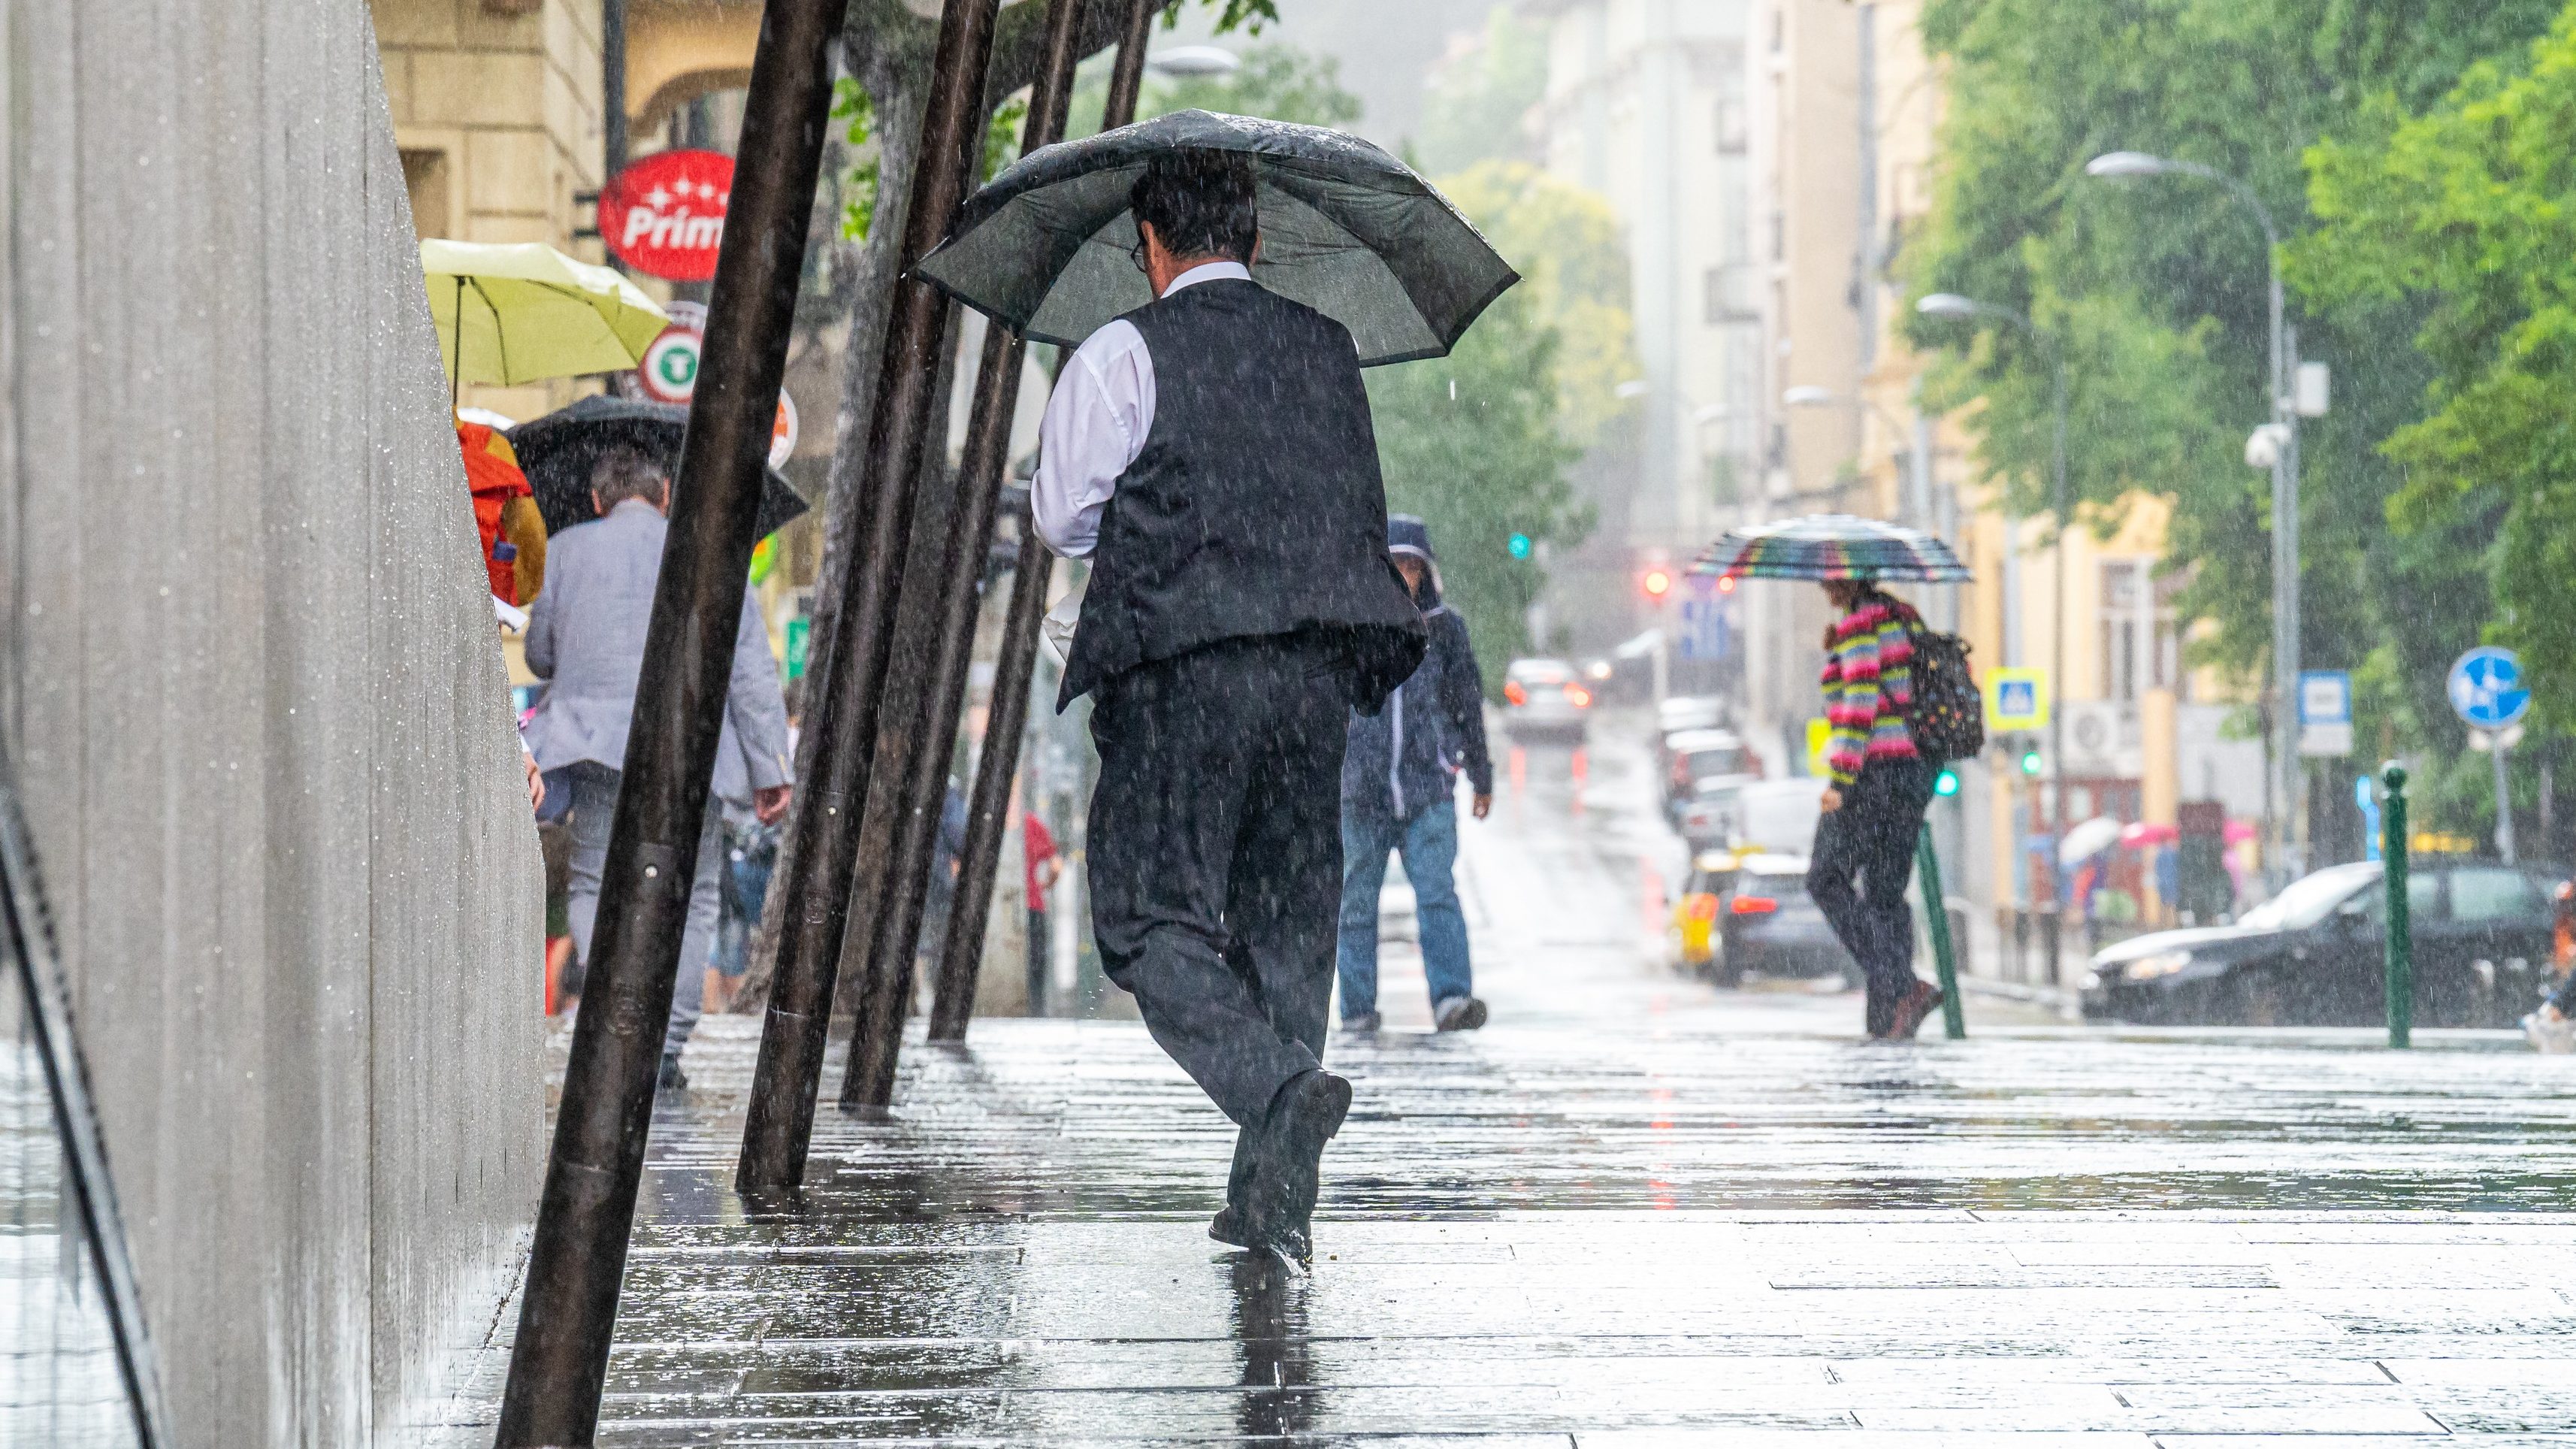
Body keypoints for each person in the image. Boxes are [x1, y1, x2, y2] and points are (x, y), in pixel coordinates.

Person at [1032, 148, 1426, 1263]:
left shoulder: (1122, 351)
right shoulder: (1327, 349)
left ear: (1148, 246)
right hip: (1313, 682)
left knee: (1153, 920)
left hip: (1181, 679)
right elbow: (1357, 507)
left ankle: (1277, 1084)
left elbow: (1064, 519)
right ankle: (1269, 1199)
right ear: (1255, 240)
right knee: (1290, 931)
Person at [522, 445, 793, 1090]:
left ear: (597, 499)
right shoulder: (707, 547)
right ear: (666, 493)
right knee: (691, 891)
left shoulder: (565, 549)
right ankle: (667, 1042)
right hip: (689, 747)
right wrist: (770, 768)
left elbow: (538, 655)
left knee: (594, 881)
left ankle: (617, 1019)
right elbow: (748, 670)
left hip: (591, 744)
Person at [1335, 516, 1494, 1033]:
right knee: (1356, 904)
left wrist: (1479, 773)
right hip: (1361, 791)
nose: (1405, 575)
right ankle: (1357, 1009)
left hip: (1429, 789)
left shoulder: (1445, 629)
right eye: (1396, 563)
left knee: (1437, 895)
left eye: (1412, 565)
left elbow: (1467, 702)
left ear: (1426, 571)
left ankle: (1452, 998)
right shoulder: (1352, 625)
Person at [1806, 576, 1943, 1039]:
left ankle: (1901, 986)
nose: (1823, 588)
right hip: (1910, 774)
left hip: (1871, 775)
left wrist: (1841, 781)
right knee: (1885, 894)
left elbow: (1860, 705)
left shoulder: (1863, 623)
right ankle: (1890, 1021)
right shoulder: (1902, 617)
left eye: (1829, 580)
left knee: (1825, 879)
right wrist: (1837, 651)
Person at [1023, 799, 1060, 1015]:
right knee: (1036, 963)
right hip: (1034, 905)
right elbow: (1056, 865)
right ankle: (1035, 1010)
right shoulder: (1031, 823)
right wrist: (1046, 885)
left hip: (1005, 909)